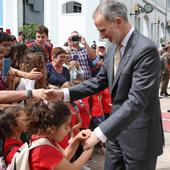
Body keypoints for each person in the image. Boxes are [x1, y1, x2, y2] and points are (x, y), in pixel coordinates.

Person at [44, 1, 164, 170]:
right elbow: (99, 81)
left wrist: (99, 133)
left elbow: (137, 100)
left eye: (102, 30)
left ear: (118, 22)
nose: (101, 36)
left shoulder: (146, 50)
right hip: (115, 134)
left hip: (138, 137)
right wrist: (63, 94)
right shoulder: (114, 46)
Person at [23, 99, 93, 170]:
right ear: (52, 128)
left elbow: (64, 156)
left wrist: (77, 139)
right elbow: (71, 168)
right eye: (66, 127)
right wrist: (90, 147)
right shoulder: (44, 150)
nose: (69, 130)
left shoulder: (45, 138)